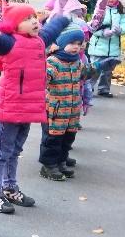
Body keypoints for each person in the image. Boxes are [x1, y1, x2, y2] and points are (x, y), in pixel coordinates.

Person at [0, 5, 70, 214]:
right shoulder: (9, 43)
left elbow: (53, 29)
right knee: (1, 152)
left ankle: (9, 187)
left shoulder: (38, 42)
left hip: (27, 109)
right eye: (28, 18)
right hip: (8, 108)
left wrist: (66, 16)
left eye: (35, 17)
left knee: (15, 151)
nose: (34, 21)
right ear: (14, 24)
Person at [39, 29, 100, 181]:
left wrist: (96, 68)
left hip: (72, 109)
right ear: (61, 44)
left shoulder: (76, 62)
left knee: (68, 138)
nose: (75, 47)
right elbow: (44, 79)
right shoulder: (53, 62)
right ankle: (48, 165)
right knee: (52, 139)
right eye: (72, 43)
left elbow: (83, 75)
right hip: (55, 109)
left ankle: (61, 161)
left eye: (79, 44)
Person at [87, 0, 125, 97]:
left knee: (108, 71)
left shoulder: (120, 10)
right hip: (98, 46)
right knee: (95, 69)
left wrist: (120, 29)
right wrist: (103, 33)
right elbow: (92, 27)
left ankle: (104, 88)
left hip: (113, 47)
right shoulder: (99, 9)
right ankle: (89, 87)